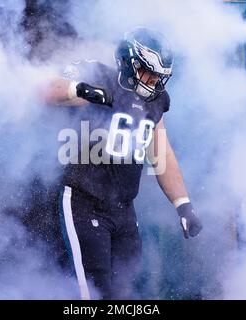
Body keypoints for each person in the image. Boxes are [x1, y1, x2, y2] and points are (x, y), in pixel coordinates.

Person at [41, 27, 202, 300]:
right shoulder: (100, 75)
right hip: (84, 201)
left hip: (124, 210)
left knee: (123, 292)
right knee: (93, 293)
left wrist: (183, 204)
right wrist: (79, 89)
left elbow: (161, 152)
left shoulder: (155, 101)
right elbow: (44, 88)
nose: (153, 82)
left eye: (159, 77)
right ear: (129, 62)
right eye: (148, 72)